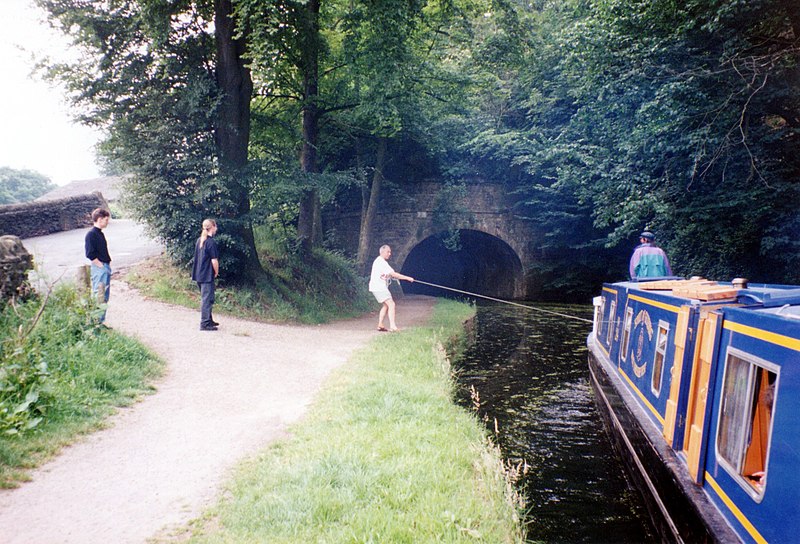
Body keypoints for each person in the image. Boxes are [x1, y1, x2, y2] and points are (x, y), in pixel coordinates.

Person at [369, 244, 414, 332]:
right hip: (379, 287)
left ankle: (380, 325)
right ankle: (393, 326)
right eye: (388, 252)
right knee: (391, 304)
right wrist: (407, 278)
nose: (389, 254)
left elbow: (390, 275)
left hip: (377, 287)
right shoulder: (381, 262)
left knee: (386, 305)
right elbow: (393, 274)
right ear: (382, 252)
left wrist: (393, 276)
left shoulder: (381, 262)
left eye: (390, 252)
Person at [191, 219, 220, 331]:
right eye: (215, 226)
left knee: (208, 297)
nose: (216, 229)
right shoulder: (210, 242)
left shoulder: (200, 240)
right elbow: (214, 260)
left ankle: (209, 319)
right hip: (207, 275)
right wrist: (216, 271)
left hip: (198, 273)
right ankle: (205, 323)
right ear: (212, 227)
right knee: (207, 299)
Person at [84, 208, 112, 324]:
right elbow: (90, 253)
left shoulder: (99, 233)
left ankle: (100, 322)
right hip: (100, 268)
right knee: (99, 295)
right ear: (99, 219)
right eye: (106, 219)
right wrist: (101, 266)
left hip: (104, 266)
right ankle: (96, 322)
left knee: (104, 295)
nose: (107, 222)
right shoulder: (91, 234)